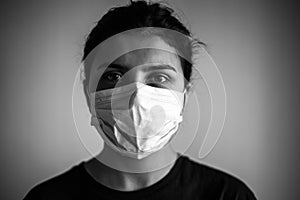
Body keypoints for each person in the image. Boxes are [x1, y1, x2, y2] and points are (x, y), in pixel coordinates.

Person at [24, 1, 257, 199]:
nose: (137, 97)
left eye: (159, 77)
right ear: (88, 93)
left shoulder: (226, 195)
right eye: (113, 76)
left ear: (184, 94)